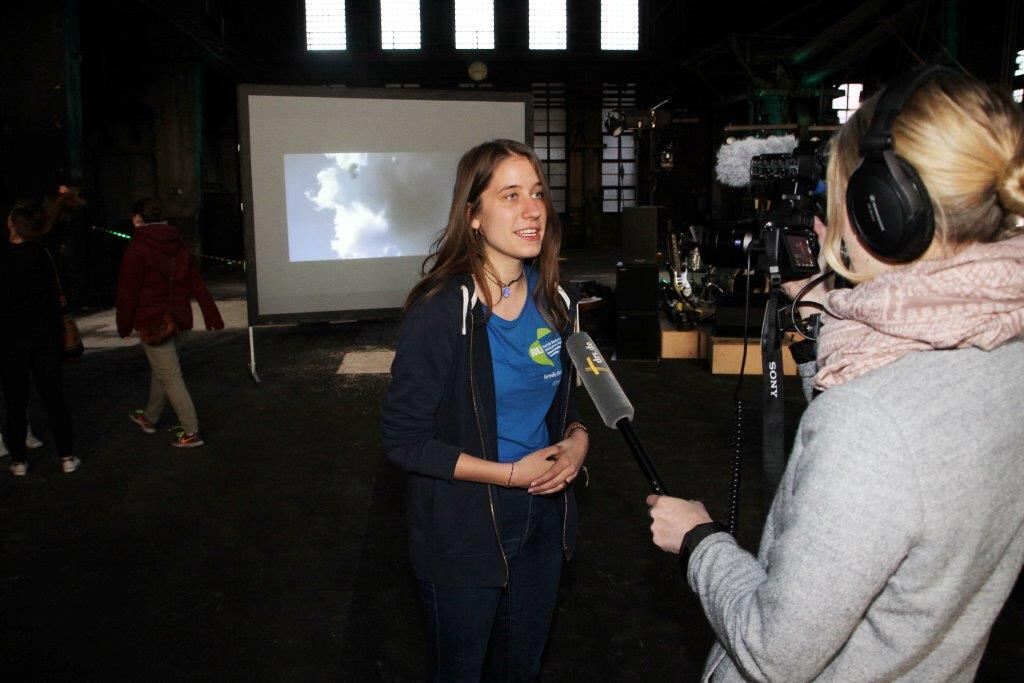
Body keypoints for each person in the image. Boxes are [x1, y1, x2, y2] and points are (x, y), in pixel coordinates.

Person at [647, 68, 1024, 680]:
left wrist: (700, 542)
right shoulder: (1006, 348)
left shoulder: (871, 424)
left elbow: (777, 652)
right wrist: (827, 327)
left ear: (885, 212)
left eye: (840, 197)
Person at [381, 139, 590, 680]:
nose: (532, 210)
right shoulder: (440, 312)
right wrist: (506, 474)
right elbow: (403, 440)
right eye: (511, 195)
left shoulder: (558, 303)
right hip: (463, 527)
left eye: (538, 194)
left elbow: (568, 407)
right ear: (472, 216)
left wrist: (577, 443)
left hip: (542, 519)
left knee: (521, 669)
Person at [116, 197, 223, 448]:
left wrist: (124, 324)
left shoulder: (138, 248)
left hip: (154, 323)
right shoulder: (179, 244)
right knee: (163, 370)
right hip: (180, 319)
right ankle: (150, 417)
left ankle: (191, 432)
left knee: (171, 376)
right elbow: (196, 281)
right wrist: (211, 315)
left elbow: (127, 291)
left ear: (137, 218)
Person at [0, 201, 79, 476]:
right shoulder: (43, 253)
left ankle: (19, 461)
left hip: (11, 339)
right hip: (46, 336)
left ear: (13, 225)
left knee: (15, 401)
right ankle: (67, 457)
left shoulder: (4, 257)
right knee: (54, 398)